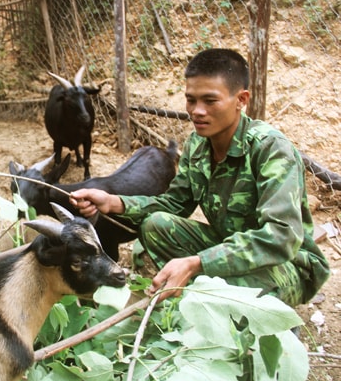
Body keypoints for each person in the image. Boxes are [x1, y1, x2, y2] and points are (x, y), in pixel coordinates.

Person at [70, 48, 329, 307]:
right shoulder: (197, 144)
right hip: (228, 248)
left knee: (223, 296)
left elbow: (281, 236)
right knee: (155, 224)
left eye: (210, 101)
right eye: (191, 100)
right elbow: (173, 204)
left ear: (241, 99)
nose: (197, 111)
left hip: (289, 264)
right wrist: (113, 202)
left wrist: (197, 263)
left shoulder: (270, 149)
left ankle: (243, 309)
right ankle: (198, 297)